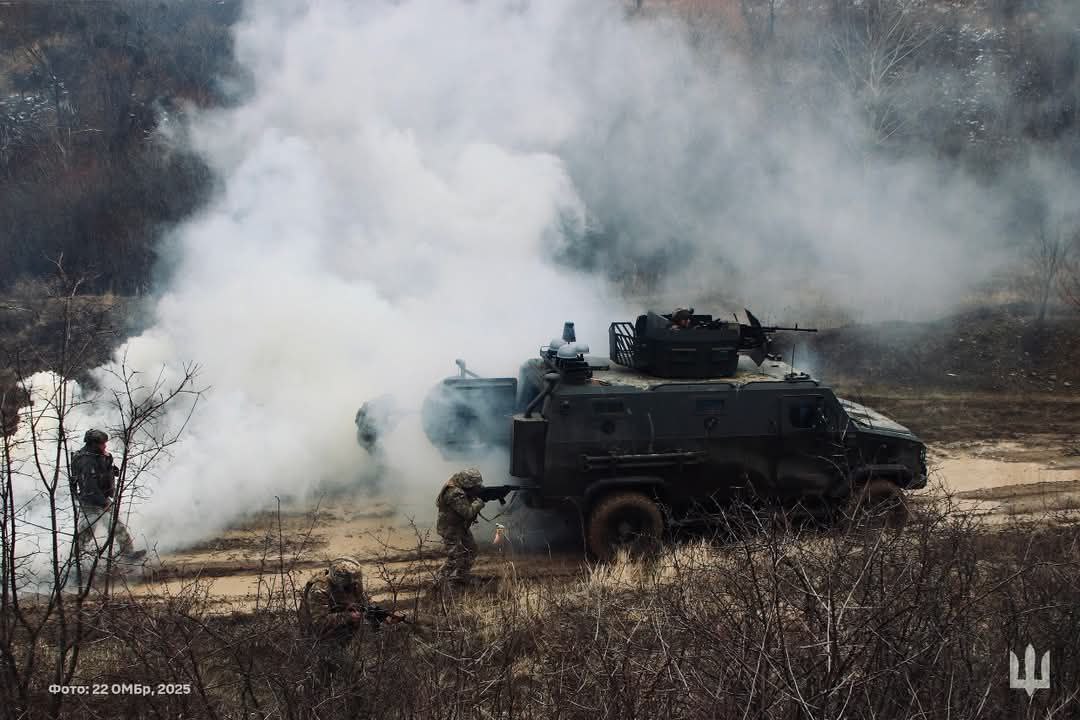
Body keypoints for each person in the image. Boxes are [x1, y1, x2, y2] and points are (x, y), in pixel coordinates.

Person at [71, 429, 143, 563]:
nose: (105, 446)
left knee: (117, 527)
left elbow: (104, 473)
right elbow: (89, 486)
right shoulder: (86, 461)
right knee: (86, 533)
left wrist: (111, 470)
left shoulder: (99, 456)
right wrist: (104, 502)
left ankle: (128, 554)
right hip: (91, 502)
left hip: (102, 499)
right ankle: (74, 563)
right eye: (102, 444)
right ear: (93, 444)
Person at [434, 468, 485, 586]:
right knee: (455, 557)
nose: (476, 487)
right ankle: (438, 583)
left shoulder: (459, 486)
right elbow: (467, 512)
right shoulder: (455, 492)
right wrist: (479, 503)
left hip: (460, 526)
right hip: (450, 529)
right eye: (474, 485)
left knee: (471, 550)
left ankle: (462, 576)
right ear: (467, 483)